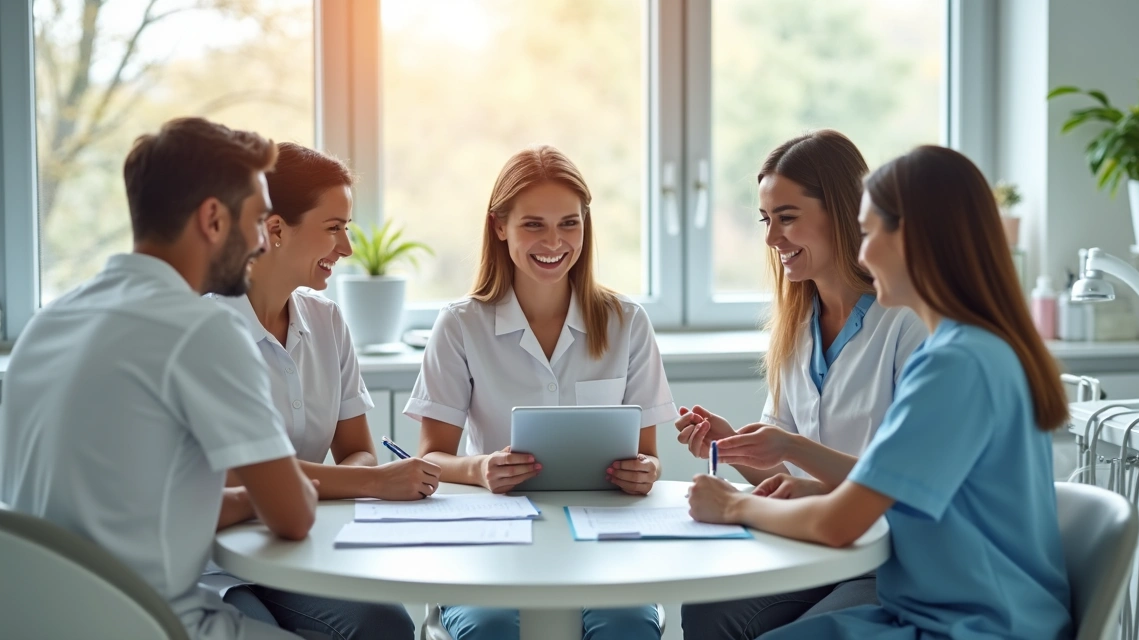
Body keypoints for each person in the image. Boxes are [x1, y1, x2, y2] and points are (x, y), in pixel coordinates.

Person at [687, 145, 1073, 639]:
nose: (862, 252)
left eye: (868, 234)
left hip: (977, 624)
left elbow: (838, 523)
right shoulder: (972, 349)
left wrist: (733, 505)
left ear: (910, 239)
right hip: (926, 605)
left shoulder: (955, 364)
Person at [0, 117, 318, 640]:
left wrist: (227, 502)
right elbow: (293, 515)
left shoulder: (50, 322)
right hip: (151, 625)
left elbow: (113, 508)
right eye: (259, 219)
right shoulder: (202, 331)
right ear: (213, 218)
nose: (263, 241)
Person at [406, 145, 677, 640]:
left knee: (628, 628)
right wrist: (481, 468)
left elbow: (651, 458)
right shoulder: (460, 325)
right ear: (499, 226)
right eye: (534, 224)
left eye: (569, 224)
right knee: (488, 628)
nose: (554, 241)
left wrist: (646, 473)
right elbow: (432, 459)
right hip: (492, 540)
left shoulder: (627, 323)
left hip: (603, 541)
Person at [675, 130, 926, 640]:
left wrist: (787, 448)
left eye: (787, 218)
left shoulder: (906, 322)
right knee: (706, 612)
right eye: (766, 220)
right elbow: (785, 470)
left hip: (890, 552)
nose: (771, 239)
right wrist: (732, 446)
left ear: (844, 212)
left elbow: (907, 487)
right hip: (817, 540)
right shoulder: (795, 323)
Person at [205, 142, 438, 638]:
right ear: (275, 230)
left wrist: (362, 476)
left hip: (304, 548)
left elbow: (357, 452)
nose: (347, 249)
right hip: (216, 558)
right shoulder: (205, 327)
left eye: (347, 230)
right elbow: (228, 474)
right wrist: (371, 484)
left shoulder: (327, 321)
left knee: (387, 625)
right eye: (334, 229)